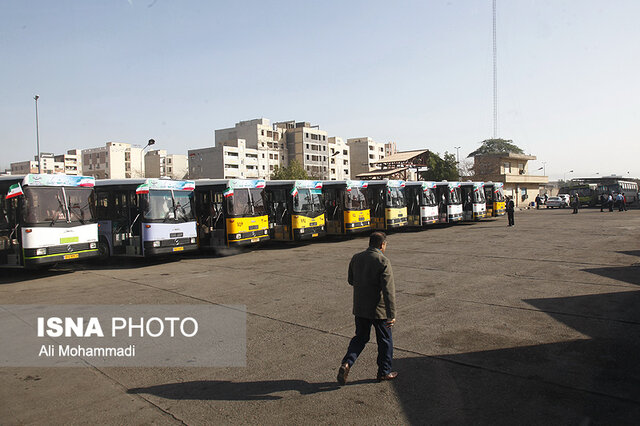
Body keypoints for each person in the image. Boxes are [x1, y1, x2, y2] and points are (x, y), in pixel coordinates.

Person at [338, 231, 397, 385]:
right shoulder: (383, 261)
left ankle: (347, 363)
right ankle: (384, 372)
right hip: (379, 310)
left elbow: (351, 280)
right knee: (385, 341)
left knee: (360, 338)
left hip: (360, 308)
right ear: (382, 245)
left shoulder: (356, 258)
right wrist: (392, 314)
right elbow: (388, 291)